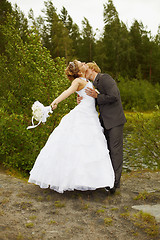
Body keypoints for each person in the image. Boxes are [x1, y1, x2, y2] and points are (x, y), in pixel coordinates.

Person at [28, 60, 115, 194]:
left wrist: (82, 96)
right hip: (83, 115)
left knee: (89, 149)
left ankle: (88, 180)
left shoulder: (84, 79)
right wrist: (54, 103)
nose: (83, 62)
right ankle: (74, 181)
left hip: (90, 115)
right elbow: (67, 91)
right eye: (81, 63)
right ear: (79, 70)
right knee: (78, 147)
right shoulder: (78, 82)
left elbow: (88, 93)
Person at [77, 61, 126, 194]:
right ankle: (106, 179)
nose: (84, 73)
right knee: (105, 151)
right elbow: (94, 101)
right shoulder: (93, 84)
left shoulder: (105, 78)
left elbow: (114, 96)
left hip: (115, 121)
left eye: (86, 71)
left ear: (93, 69)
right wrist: (82, 100)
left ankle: (114, 185)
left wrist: (97, 96)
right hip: (104, 121)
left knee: (115, 152)